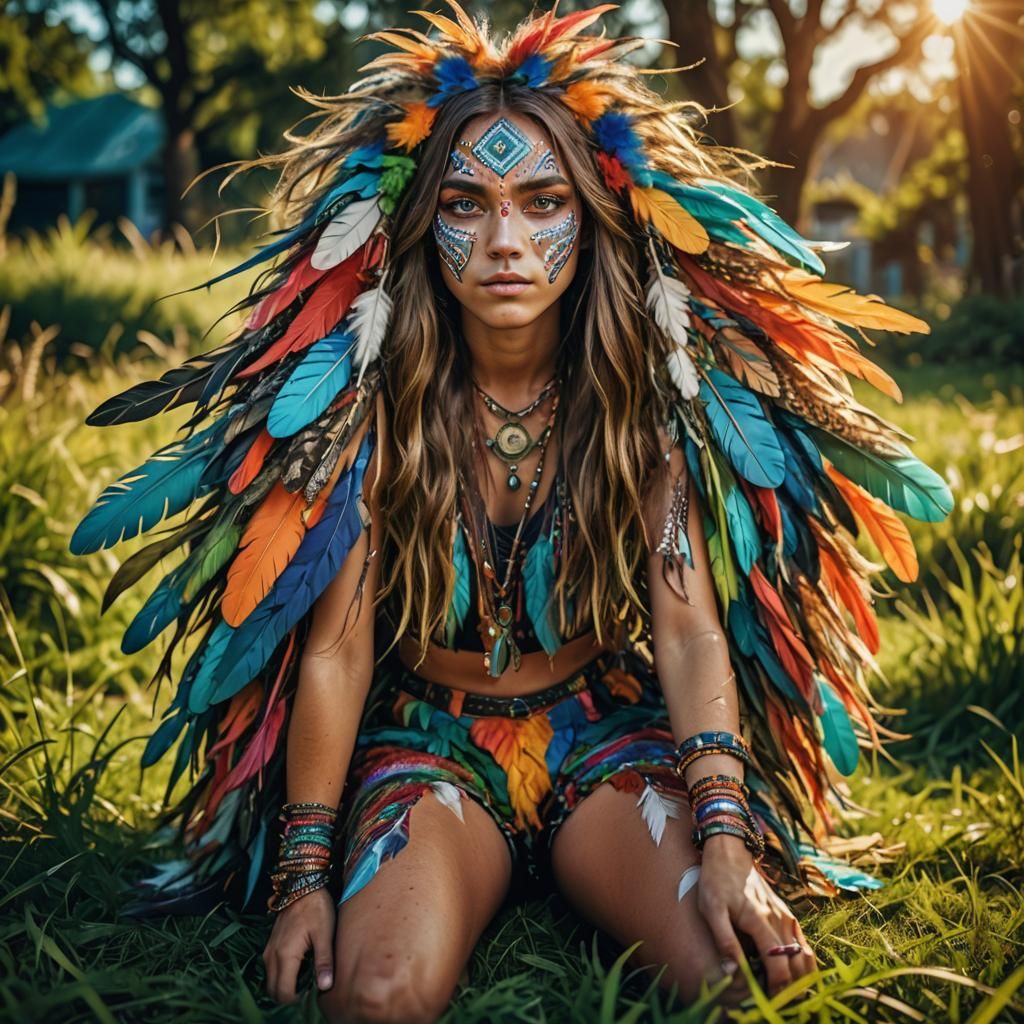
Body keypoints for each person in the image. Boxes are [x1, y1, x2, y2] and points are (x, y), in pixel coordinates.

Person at [71, 4, 953, 1021]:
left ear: (593, 216)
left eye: (542, 201)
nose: (504, 241)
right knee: (380, 992)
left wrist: (725, 842)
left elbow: (688, 625)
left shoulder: (642, 408)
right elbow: (335, 653)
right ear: (414, 221)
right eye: (463, 202)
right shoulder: (372, 411)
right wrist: (304, 876)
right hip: (430, 746)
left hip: (601, 735)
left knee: (735, 982)